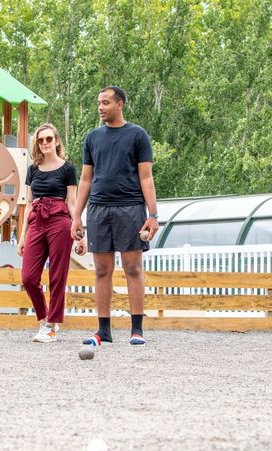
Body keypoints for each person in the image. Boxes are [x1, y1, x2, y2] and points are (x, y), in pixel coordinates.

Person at [71, 86, 158, 347]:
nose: (100, 107)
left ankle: (137, 330)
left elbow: (146, 177)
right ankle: (103, 331)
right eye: (99, 102)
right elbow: (85, 179)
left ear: (119, 104)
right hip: (98, 209)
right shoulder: (92, 138)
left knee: (133, 268)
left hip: (130, 208)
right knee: (101, 270)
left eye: (106, 102)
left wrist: (153, 214)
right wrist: (77, 216)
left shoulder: (137, 135)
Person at [18, 123, 86, 342]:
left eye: (48, 139)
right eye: (40, 140)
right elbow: (28, 204)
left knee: (57, 275)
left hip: (60, 221)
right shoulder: (33, 169)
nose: (44, 143)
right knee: (28, 278)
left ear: (56, 141)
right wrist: (22, 236)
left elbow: (72, 203)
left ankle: (51, 327)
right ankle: (44, 318)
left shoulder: (68, 169)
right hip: (36, 220)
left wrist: (80, 233)